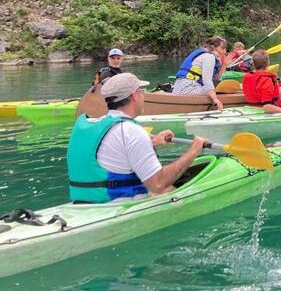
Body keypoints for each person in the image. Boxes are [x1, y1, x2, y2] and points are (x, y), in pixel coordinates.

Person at [66, 73, 207, 203]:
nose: (143, 96)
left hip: (84, 202)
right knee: (168, 189)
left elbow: (112, 150)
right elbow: (157, 185)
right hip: (116, 206)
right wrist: (193, 151)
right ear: (134, 95)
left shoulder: (97, 124)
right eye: (142, 91)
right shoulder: (132, 131)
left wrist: (153, 142)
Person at [172, 36, 227, 111]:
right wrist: (215, 99)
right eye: (223, 48)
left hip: (180, 86)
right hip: (187, 88)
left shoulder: (206, 54)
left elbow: (215, 79)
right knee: (216, 89)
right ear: (214, 48)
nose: (225, 52)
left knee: (214, 87)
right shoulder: (209, 57)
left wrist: (224, 66)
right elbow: (207, 80)